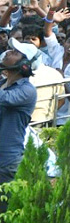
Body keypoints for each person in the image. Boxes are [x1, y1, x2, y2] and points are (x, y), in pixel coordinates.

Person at [0, 48, 37, 211]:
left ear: (24, 65)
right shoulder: (2, 84)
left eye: (15, 53)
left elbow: (5, 99)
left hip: (7, 162)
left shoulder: (27, 91)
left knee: (6, 212)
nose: (8, 53)